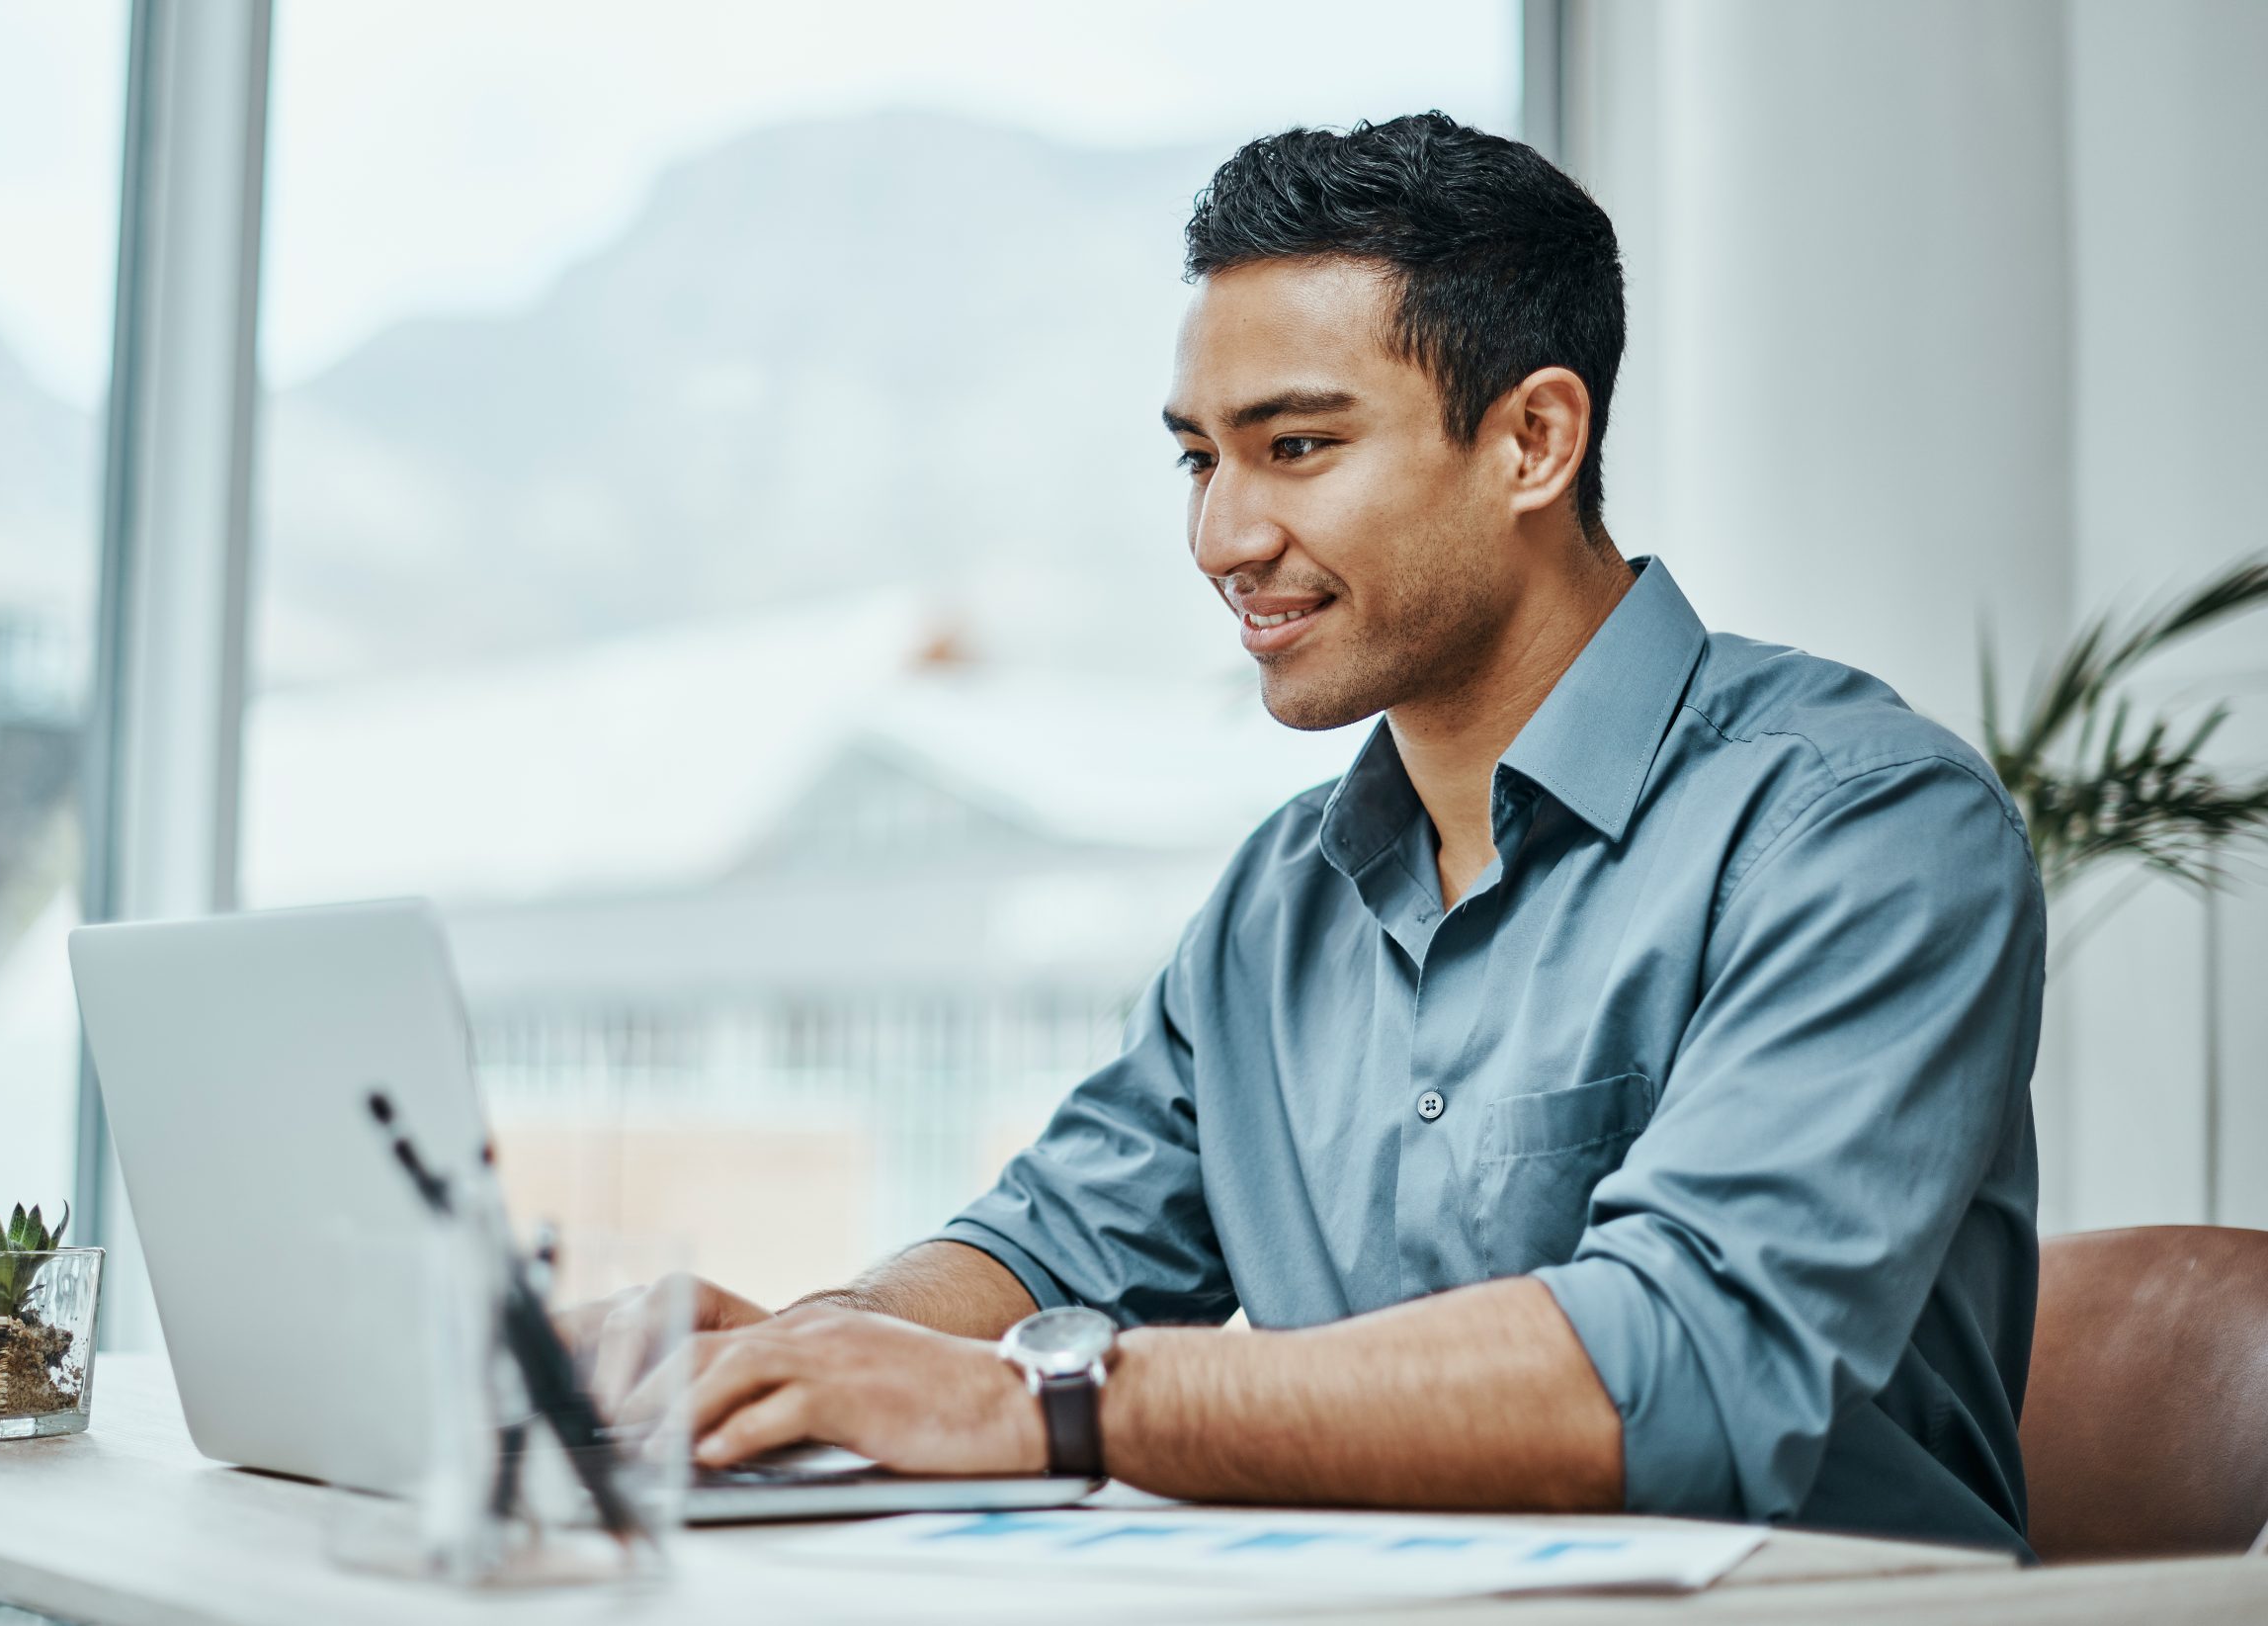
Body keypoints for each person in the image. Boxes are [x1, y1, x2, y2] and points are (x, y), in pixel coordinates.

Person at [679, 112, 2043, 1555]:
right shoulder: (1281, 897)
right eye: (1199, 460)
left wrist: (1046, 1403)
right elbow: (1052, 1246)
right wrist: (789, 1356)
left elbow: (1686, 1366)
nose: (1223, 537)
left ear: (1532, 440)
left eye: (1297, 447)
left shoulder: (1862, 828)